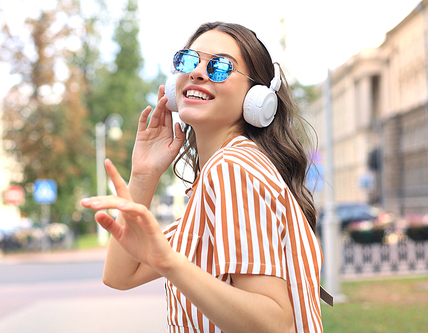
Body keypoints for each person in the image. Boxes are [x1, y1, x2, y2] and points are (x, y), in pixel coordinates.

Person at [81, 22, 324, 333]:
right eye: (188, 61)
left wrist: (171, 263)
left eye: (220, 66)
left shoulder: (233, 168)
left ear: (257, 98)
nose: (197, 72)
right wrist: (144, 174)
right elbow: (119, 275)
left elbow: (274, 324)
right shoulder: (217, 178)